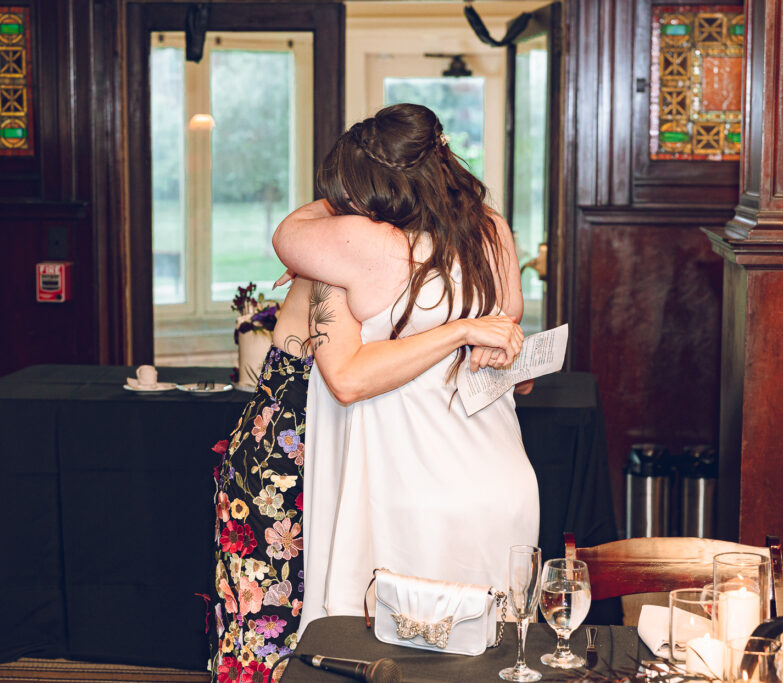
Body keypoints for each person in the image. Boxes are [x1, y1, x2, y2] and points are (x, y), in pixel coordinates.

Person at [272, 103, 541, 632]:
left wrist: (327, 233)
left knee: (395, 651)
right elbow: (509, 344)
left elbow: (289, 233)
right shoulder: (492, 232)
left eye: (355, 188)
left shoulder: (366, 243)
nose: (348, 203)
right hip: (499, 480)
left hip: (410, 484)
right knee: (489, 646)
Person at [208, 276, 523, 682]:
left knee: (344, 629)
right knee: (268, 631)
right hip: (285, 465)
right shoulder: (334, 253)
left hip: (349, 457)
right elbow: (347, 380)